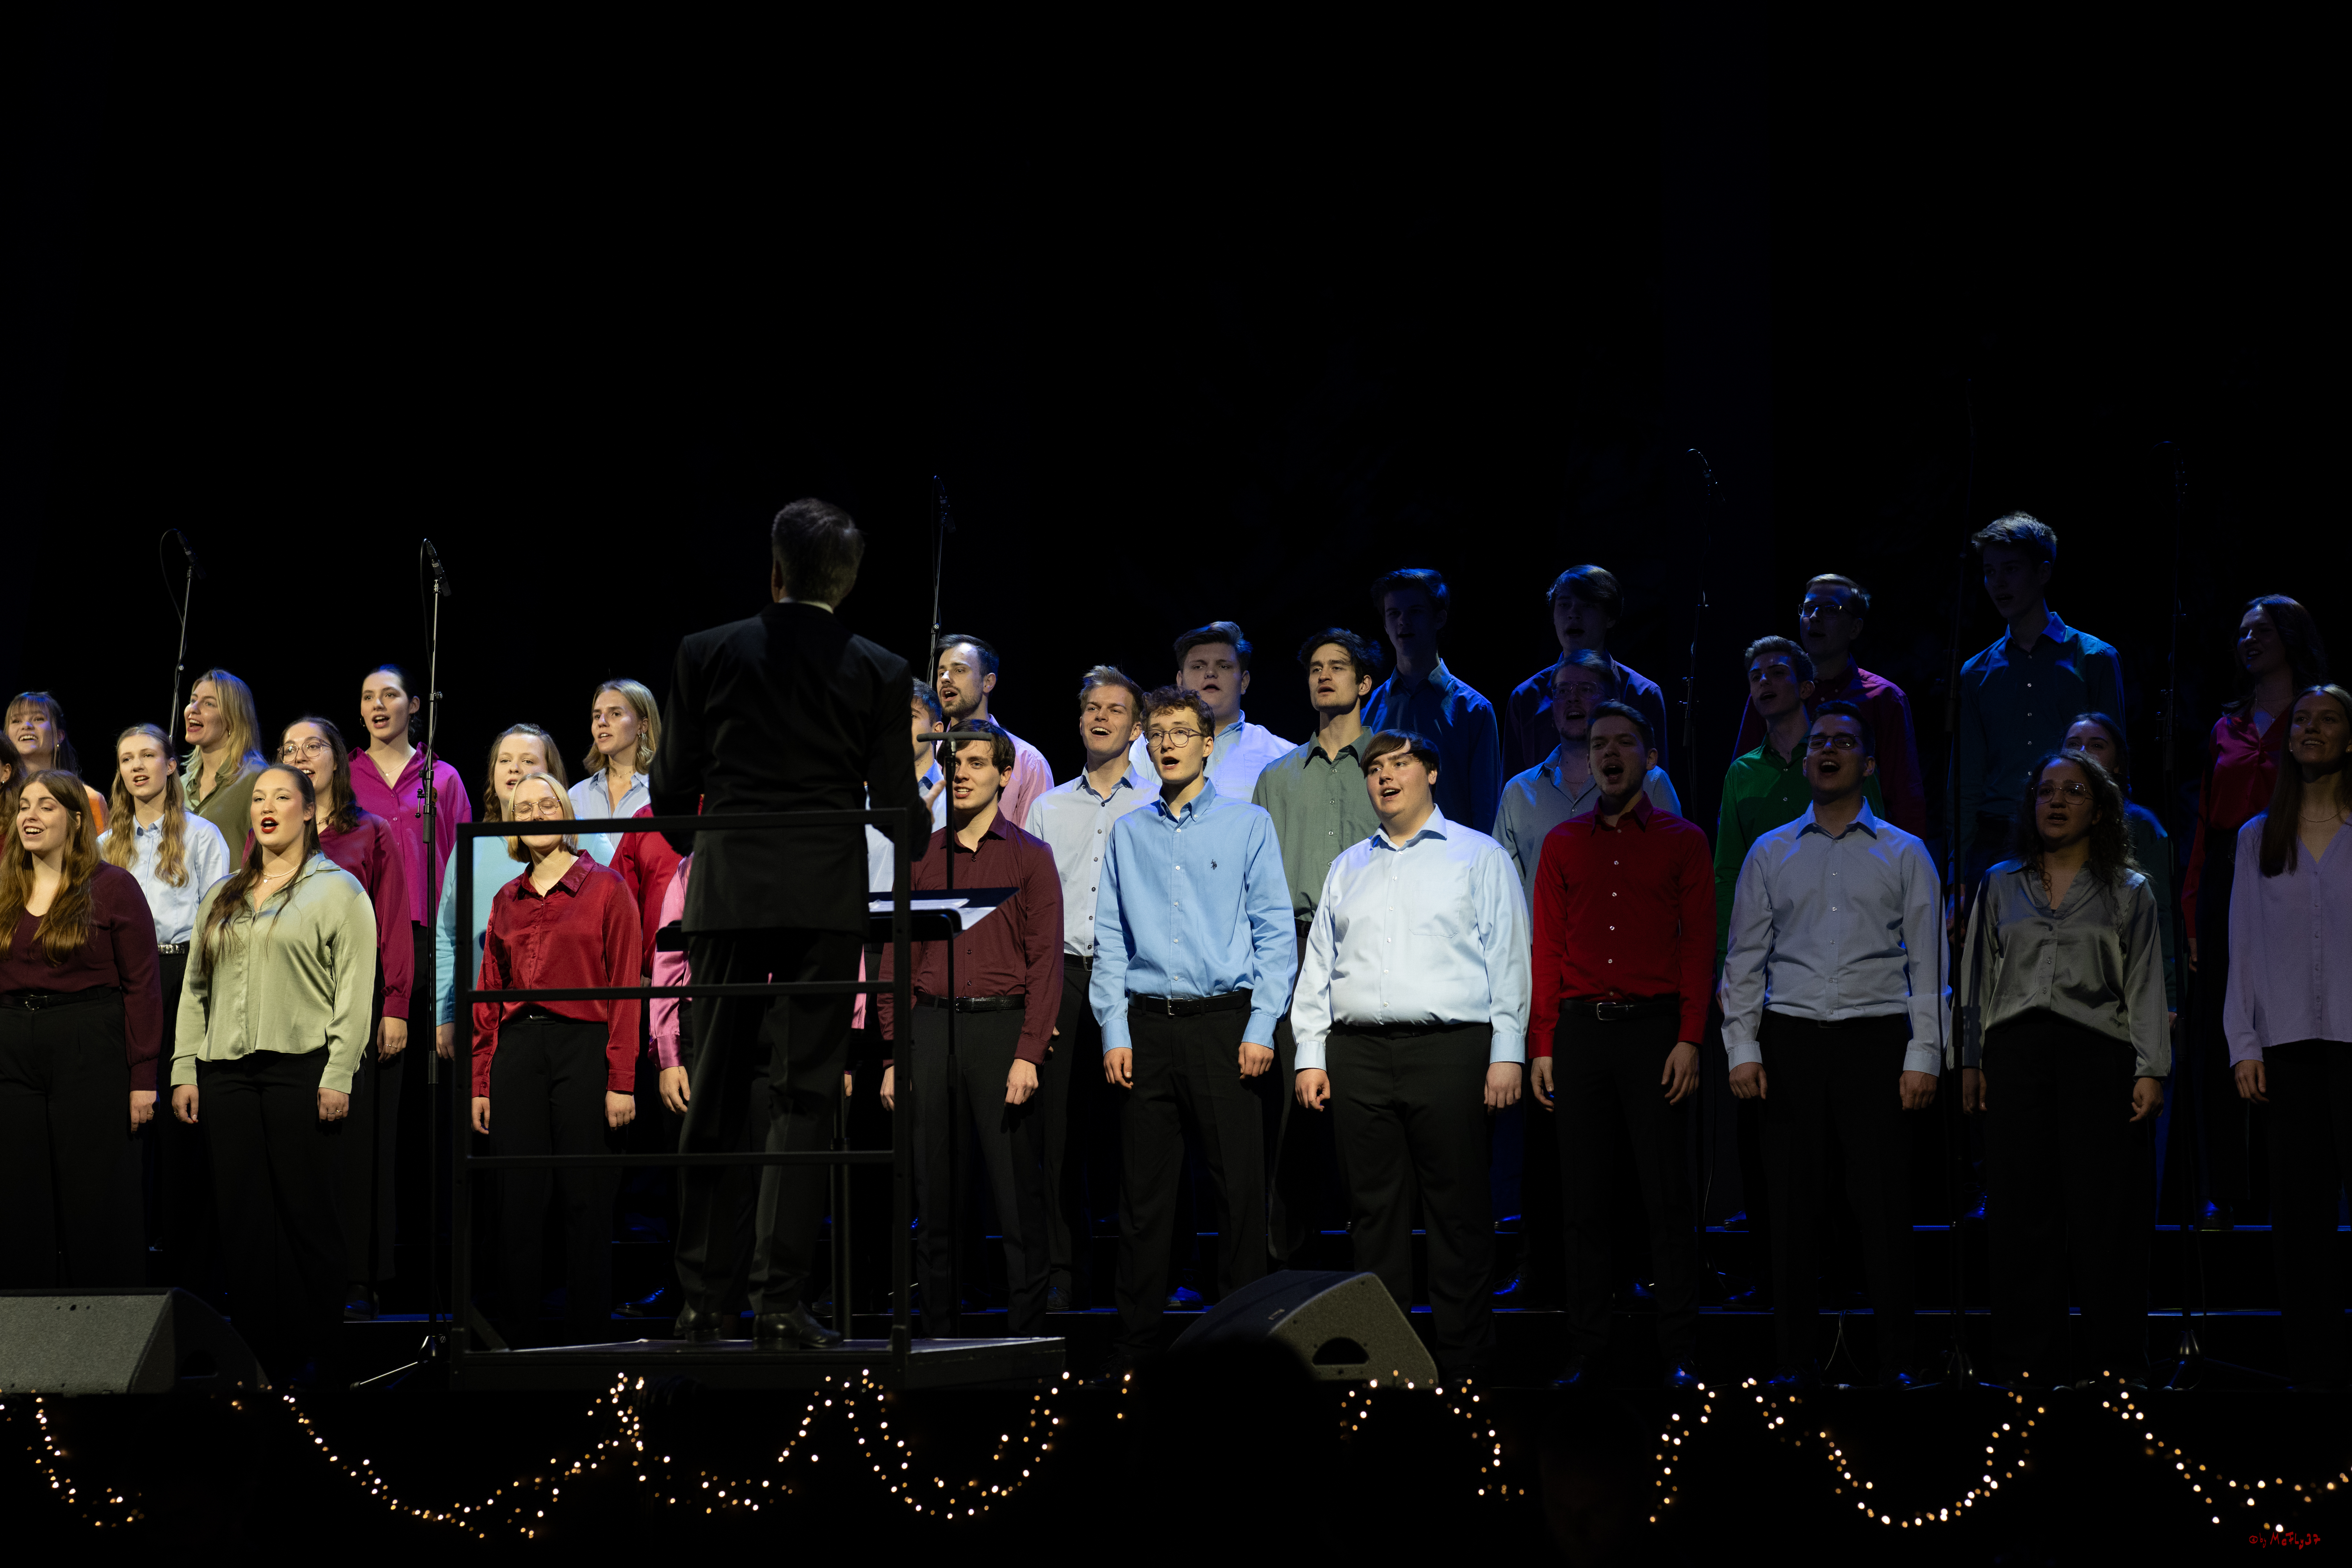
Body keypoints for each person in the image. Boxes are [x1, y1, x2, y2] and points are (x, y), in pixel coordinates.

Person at [651, 497, 917, 1350]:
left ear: (774, 570)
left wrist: (707, 839)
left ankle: (699, 1302)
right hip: (825, 896)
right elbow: (895, 809)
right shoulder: (879, 667)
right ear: (847, 583)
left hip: (729, 889)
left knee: (717, 1081)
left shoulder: (707, 651)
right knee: (804, 1093)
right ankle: (777, 1303)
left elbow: (670, 788)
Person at [1720, 702, 1945, 1388]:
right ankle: (1792, 1360)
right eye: (1818, 741)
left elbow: (1928, 967)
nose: (1826, 751)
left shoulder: (1905, 853)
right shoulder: (1771, 851)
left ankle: (1896, 1361)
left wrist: (1923, 1055)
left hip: (1876, 1040)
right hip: (1790, 1040)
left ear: (1868, 764)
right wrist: (1742, 1047)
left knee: (1881, 1205)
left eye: (1843, 742)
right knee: (1790, 1207)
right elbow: (1744, 958)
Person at [1291, 730, 1530, 1374]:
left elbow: (1509, 956)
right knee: (1373, 1216)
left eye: (1399, 765)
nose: (1384, 777)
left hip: (1451, 1049)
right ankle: (1384, 1362)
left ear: (1430, 773)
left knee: (1457, 1212)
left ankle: (1464, 1361)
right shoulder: (1349, 866)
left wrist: (1508, 1049)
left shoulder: (1477, 857)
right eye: (1374, 768)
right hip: (1359, 1054)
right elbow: (1319, 968)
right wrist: (1310, 1052)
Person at [1092, 684, 1294, 1368]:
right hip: (1147, 1028)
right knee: (1144, 1196)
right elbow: (1110, 940)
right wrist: (1114, 1031)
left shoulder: (1246, 825)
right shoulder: (1127, 832)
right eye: (1158, 733)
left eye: (1182, 732)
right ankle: (1136, 1345)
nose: (1169, 743)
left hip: (1223, 1025)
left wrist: (1262, 1025)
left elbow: (1274, 934)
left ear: (1208, 744)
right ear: (1145, 746)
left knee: (1237, 1192)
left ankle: (1246, 1346)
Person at [1959, 751, 2167, 1387]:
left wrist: (2151, 1067)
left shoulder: (2130, 890)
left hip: (2096, 1054)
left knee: (2106, 1215)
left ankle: (2116, 1367)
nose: (2056, 801)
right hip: (2015, 1057)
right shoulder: (2000, 883)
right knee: (2022, 1213)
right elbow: (1975, 980)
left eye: (2073, 791)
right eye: (2046, 791)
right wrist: (1969, 1059)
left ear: (2098, 809)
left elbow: (2145, 984)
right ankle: (2029, 1365)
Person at [1528, 701, 1713, 1391]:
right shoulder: (1563, 843)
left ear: (1649, 756)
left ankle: (1679, 1347)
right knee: (1582, 1198)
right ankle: (1587, 1347)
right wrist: (1543, 1040)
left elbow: (1698, 945)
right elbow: (1546, 943)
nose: (1609, 753)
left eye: (1624, 743)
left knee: (1664, 1194)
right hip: (1579, 1031)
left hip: (1654, 1029)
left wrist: (1690, 1037)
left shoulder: (1682, 840)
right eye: (1599, 742)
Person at [171, 764, 375, 1383]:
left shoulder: (338, 890)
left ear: (309, 811)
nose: (268, 806)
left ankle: (323, 1353)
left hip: (302, 1070)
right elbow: (195, 989)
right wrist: (185, 1066)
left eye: (282, 797)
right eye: (259, 797)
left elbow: (355, 992)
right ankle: (262, 1355)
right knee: (243, 1217)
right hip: (227, 1073)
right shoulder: (224, 894)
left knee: (307, 1214)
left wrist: (339, 1071)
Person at [875, 722, 1062, 1336]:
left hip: (1001, 1032)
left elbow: (1046, 961)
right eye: (955, 762)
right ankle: (939, 1338)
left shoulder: (1030, 856)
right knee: (935, 1203)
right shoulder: (922, 856)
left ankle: (1027, 1336)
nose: (961, 773)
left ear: (1005, 775)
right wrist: (894, 1054)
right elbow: (893, 961)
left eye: (977, 763)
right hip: (930, 1032)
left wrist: (1030, 1051)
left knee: (1016, 1200)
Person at [470, 774, 642, 1348]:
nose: (537, 813)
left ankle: (587, 1336)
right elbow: (490, 997)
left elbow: (624, 989)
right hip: (519, 1051)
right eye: (525, 807)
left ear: (565, 812)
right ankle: (517, 1337)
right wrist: (481, 1083)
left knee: (585, 1197)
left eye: (548, 803)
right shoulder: (506, 899)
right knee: (518, 1198)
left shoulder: (607, 887)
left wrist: (621, 1078)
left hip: (584, 1046)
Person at [2180, 595, 2329, 1227]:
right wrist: (2190, 911)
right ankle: (2228, 1189)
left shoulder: (2317, 716)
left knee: (2290, 1029)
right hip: (2226, 880)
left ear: (2291, 637)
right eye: (2241, 631)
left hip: (2296, 880)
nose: (2247, 640)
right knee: (2225, 1034)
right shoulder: (2227, 726)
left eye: (2261, 631)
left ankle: (2292, 1185)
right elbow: (2202, 831)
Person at [2227, 684, 2352, 1389]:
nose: (2310, 729)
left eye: (2327, 719)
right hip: (2289, 1046)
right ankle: (2317, 1374)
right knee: (2300, 1221)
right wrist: (2243, 1041)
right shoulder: (2257, 836)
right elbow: (2242, 944)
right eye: (2300, 719)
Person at [1251, 629, 1385, 1269]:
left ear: (1365, 683)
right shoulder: (1277, 778)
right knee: (1291, 1111)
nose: (1324, 676)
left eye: (1339, 667)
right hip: (1295, 947)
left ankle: (1375, 1262)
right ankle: (1289, 1261)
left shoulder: (1390, 767)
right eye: (1314, 667)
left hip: (1373, 946)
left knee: (1364, 1106)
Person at [0, 771, 161, 1287]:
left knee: (96, 1194)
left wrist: (143, 1076)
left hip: (88, 1042)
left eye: (45, 806)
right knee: (20, 1194)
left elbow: (142, 985)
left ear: (75, 820)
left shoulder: (113, 886)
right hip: (12, 1047)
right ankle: (29, 1343)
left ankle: (108, 1336)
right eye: (24, 805)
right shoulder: (4, 888)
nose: (30, 815)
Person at [1025, 665, 1153, 1308]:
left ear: (1137, 727)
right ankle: (1061, 1274)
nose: (1100, 718)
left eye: (1115, 710)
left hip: (1135, 980)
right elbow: (1034, 909)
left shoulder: (1157, 803)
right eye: (1090, 709)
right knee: (1059, 1134)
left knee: (1139, 1133)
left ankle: (1139, 1277)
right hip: (1067, 975)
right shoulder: (1049, 807)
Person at [278, 717, 414, 1317]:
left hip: (358, 1009)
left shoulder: (371, 833)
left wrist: (396, 1006)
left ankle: (361, 1276)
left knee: (359, 1152)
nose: (301, 755)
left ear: (337, 760)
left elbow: (394, 923)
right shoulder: (272, 837)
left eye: (313, 746)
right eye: (288, 749)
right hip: (290, 1015)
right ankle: (302, 1273)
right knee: (300, 1150)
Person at [97, 724, 232, 1292]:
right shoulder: (105, 846)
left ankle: (188, 1273)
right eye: (127, 758)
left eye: (148, 755)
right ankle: (128, 1264)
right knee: (130, 1119)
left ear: (172, 765)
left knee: (180, 1123)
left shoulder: (202, 836)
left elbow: (217, 921)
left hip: (181, 972)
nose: (137, 767)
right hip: (124, 979)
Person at [1951, 514, 2126, 887]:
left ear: (2043, 573)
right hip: (1997, 836)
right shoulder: (1976, 672)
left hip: (2077, 831)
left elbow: (2113, 766)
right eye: (1989, 571)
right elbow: (1968, 777)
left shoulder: (2095, 658)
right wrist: (1958, 872)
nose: (1998, 582)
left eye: (2011, 569)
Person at [1715, 637, 1886, 957]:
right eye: (1756, 677)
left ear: (1806, 688)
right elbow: (1728, 873)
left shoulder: (1845, 759)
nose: (1765, 680)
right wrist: (1727, 959)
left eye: (1778, 672)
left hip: (1845, 932)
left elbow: (1879, 845)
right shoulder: (1742, 772)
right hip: (1767, 940)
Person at [1726, 575, 1928, 838]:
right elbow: (1745, 775)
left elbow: (1904, 796)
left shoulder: (1884, 698)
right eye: (1809, 608)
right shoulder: (1772, 691)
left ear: (1855, 628)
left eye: (1830, 610)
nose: (1815, 617)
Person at [350, 663, 473, 1091]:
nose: (378, 705)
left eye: (390, 694)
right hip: (364, 933)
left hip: (429, 938)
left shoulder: (443, 777)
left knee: (430, 1077)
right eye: (368, 697)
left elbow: (462, 862)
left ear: (415, 705)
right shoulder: (346, 779)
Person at [1496, 650, 1681, 905]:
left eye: (1586, 689)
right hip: (1539, 944)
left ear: (1611, 703)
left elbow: (1676, 876)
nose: (1573, 698)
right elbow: (1504, 892)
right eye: (1562, 690)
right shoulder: (1518, 792)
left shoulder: (1650, 782)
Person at [432, 726, 564, 1059]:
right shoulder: (470, 846)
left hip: (565, 1023)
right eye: (505, 760)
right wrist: (445, 1014)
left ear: (553, 776)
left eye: (528, 760)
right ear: (492, 776)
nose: (515, 768)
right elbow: (448, 936)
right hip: (483, 1020)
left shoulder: (585, 843)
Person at [1361, 568, 1504, 833]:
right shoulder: (1368, 711)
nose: (1404, 621)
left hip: (1451, 862)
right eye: (1394, 614)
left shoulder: (1473, 710)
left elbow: (1486, 809)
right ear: (1385, 624)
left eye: (1415, 611)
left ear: (1439, 618)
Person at [1502, 566, 1672, 779]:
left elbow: (1658, 785)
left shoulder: (1644, 696)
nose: (1574, 614)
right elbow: (1511, 790)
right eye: (1564, 605)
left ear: (1610, 618)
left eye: (1588, 605)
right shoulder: (1526, 698)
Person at [2062, 714, 2178, 1015]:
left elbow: (2163, 917)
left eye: (2096, 745)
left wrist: (2169, 997)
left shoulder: (2141, 825)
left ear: (2118, 764)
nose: (2083, 752)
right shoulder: (2049, 824)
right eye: (2073, 744)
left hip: (2124, 990)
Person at [1124, 622, 1294, 804]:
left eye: (1224, 666)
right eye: (1198, 666)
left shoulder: (1283, 755)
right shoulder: (1148, 747)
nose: (1211, 673)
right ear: (1180, 681)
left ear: (1244, 682)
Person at [934, 634, 1054, 830]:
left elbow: (1034, 844)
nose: (946, 679)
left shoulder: (1028, 761)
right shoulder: (928, 752)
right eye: (941, 673)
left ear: (988, 682)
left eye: (959, 670)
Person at [571, 678, 661, 864]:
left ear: (642, 725)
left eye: (615, 714)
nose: (602, 722)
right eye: (597, 716)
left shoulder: (662, 793)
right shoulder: (576, 795)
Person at [180, 670, 270, 849]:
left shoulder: (257, 779)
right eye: (193, 700)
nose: (193, 709)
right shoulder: (180, 785)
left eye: (209, 704)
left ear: (233, 718)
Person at [6, 691, 107, 826]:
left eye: (38, 719)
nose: (26, 726)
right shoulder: (2, 800)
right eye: (16, 721)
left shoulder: (88, 800)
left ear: (59, 736)